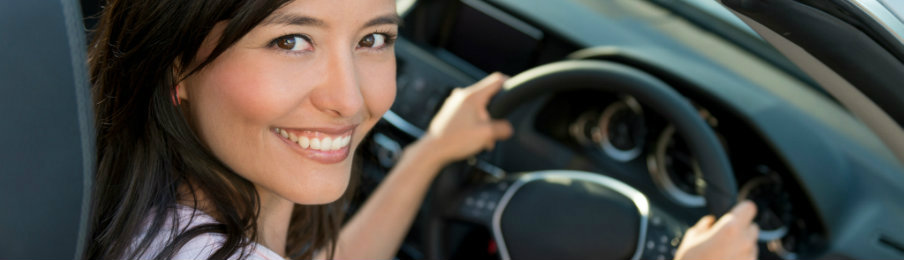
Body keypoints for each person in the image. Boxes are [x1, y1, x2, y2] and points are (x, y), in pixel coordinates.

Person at [82, 0, 759, 259]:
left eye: (374, 39)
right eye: (291, 42)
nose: (350, 99)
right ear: (177, 65)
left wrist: (430, 154)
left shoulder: (155, 214)